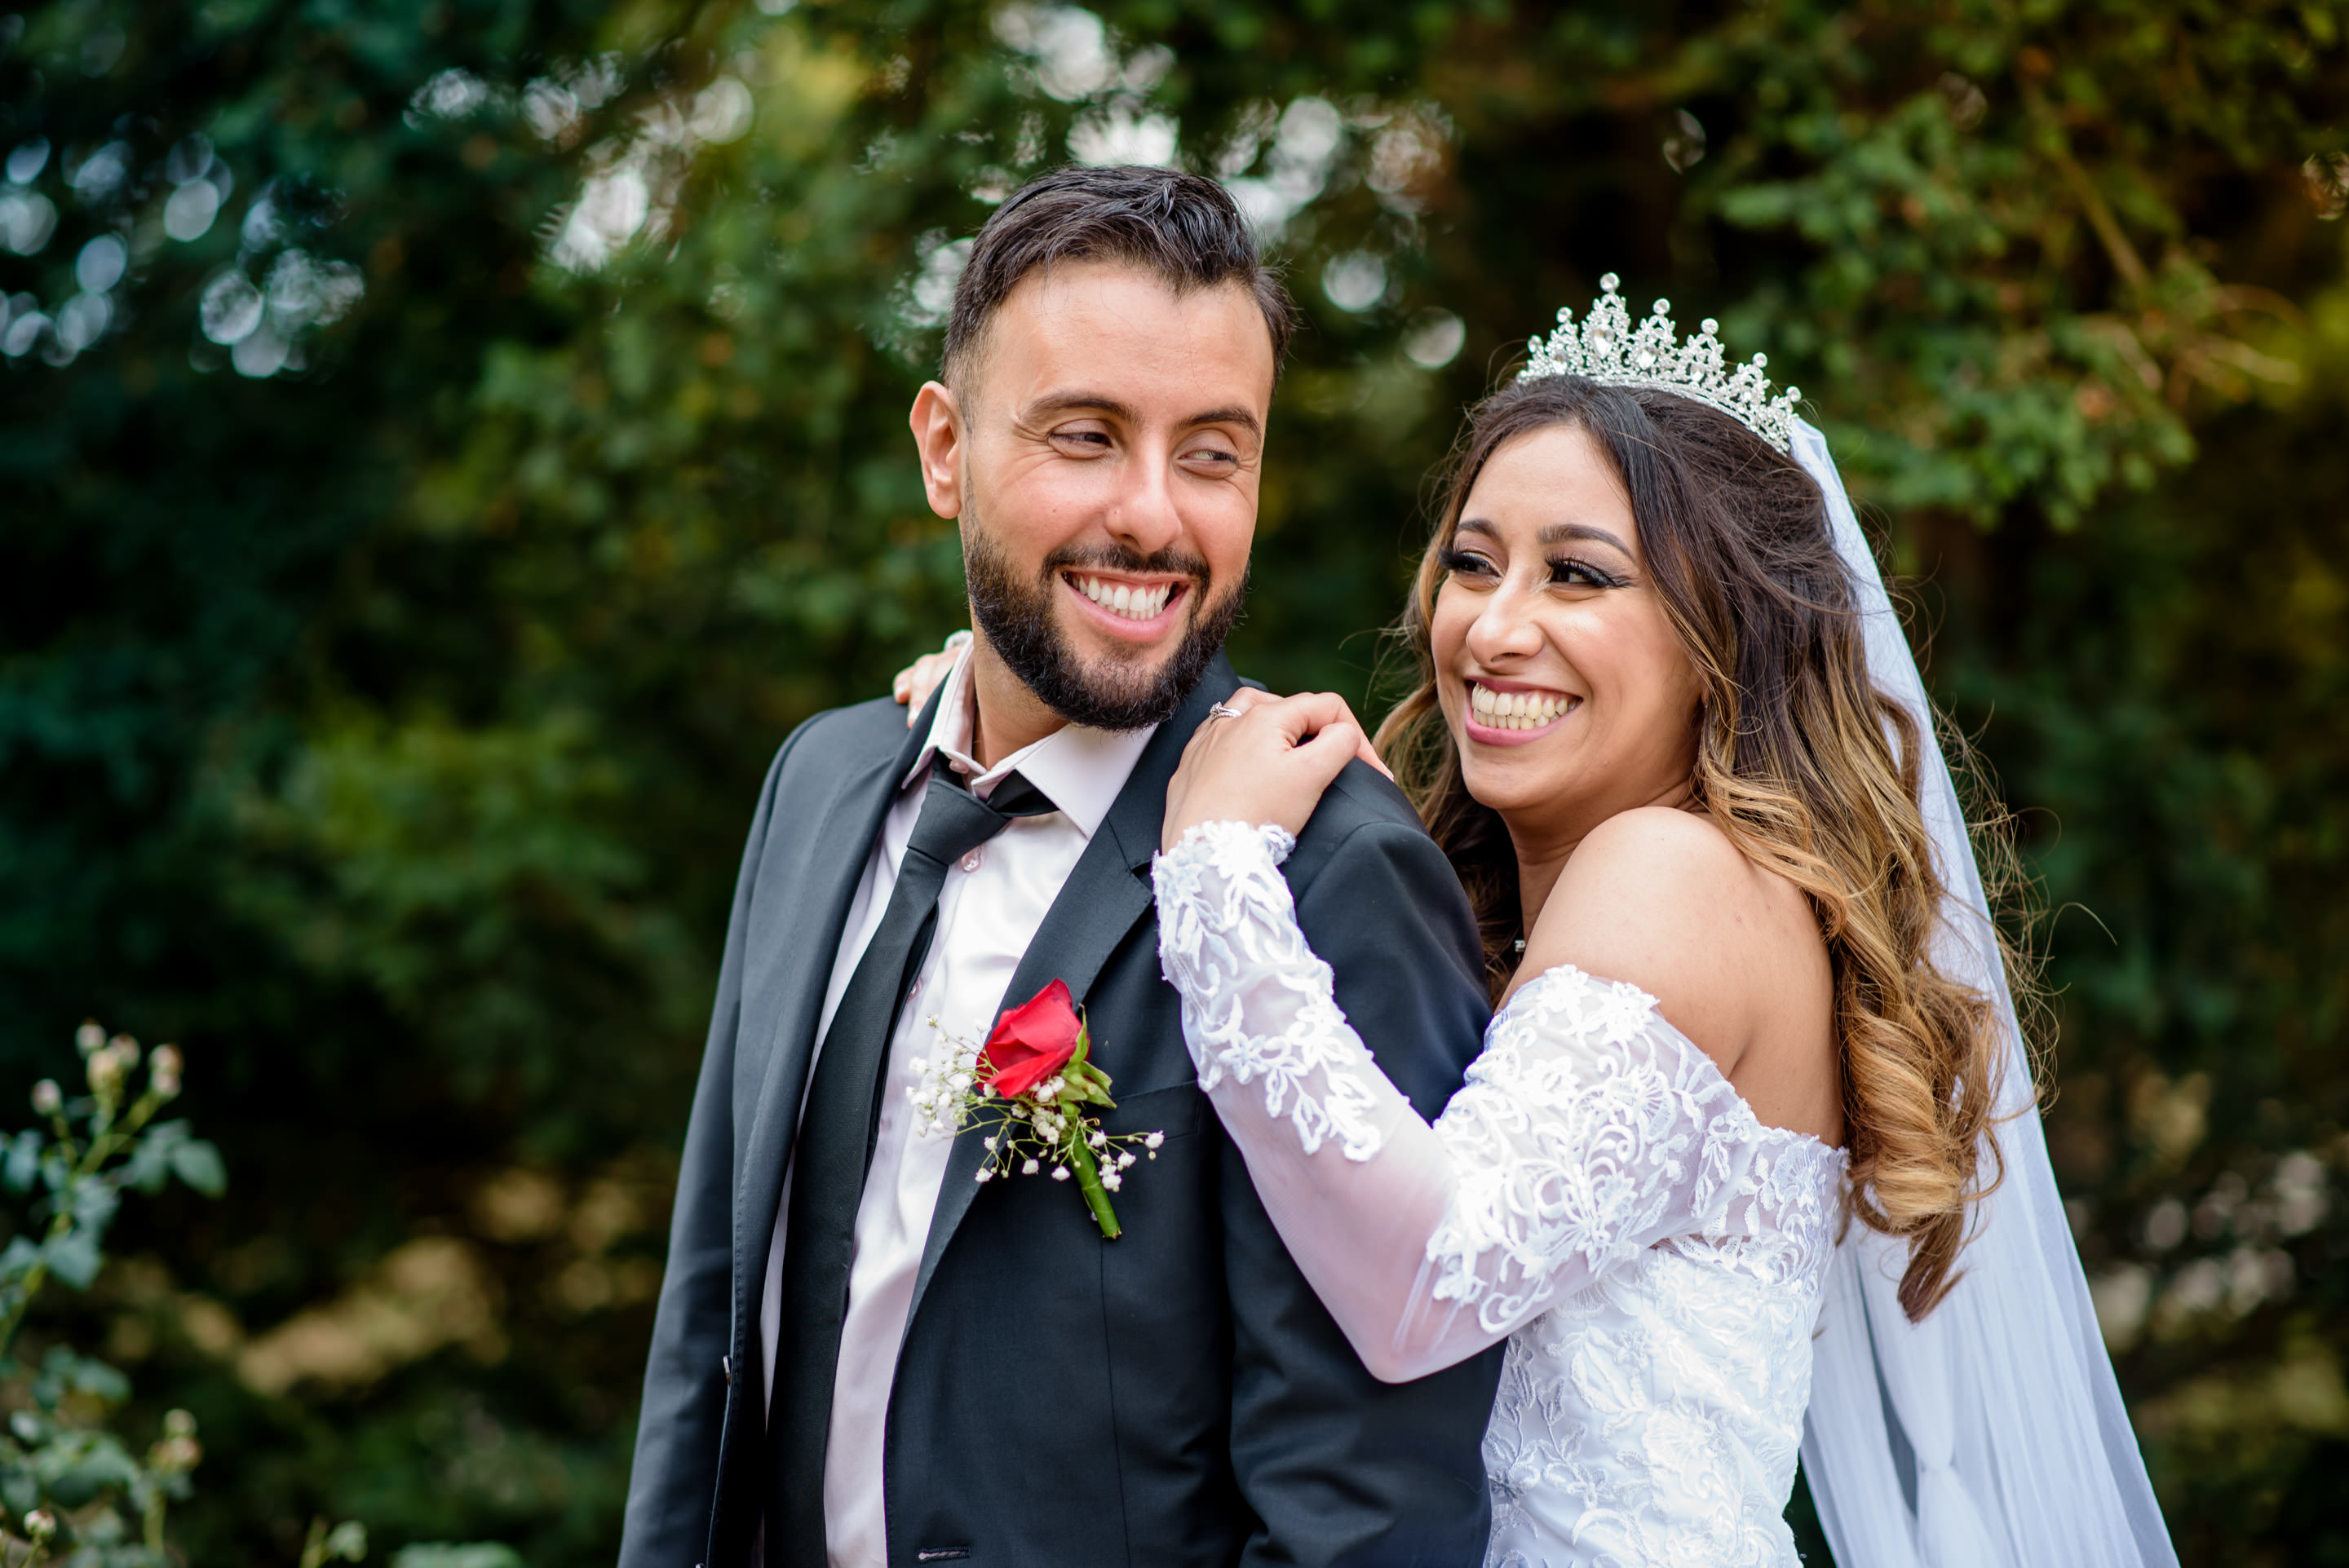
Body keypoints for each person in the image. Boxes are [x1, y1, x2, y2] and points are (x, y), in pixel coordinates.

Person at [897, 280, 2179, 1566]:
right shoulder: (1539, 908)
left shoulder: (1675, 875)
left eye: (1579, 575)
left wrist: (1219, 875)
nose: (1497, 629)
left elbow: (1421, 1287)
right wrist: (1007, 715)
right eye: (1472, 563)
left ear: (1720, 630)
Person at [618, 165, 1504, 1568]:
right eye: (1085, 436)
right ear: (944, 448)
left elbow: (1367, 1516)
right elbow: (709, 1328)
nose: (1153, 516)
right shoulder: (824, 783)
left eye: (1213, 452)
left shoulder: (1328, 877)